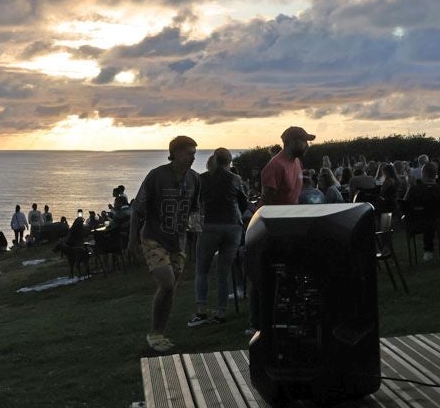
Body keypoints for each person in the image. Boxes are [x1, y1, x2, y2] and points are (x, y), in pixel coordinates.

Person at [129, 135, 201, 353]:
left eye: (194, 154)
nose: (193, 158)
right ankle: (155, 333)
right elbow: (137, 209)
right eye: (189, 153)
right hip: (153, 237)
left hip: (177, 242)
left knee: (169, 289)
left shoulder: (194, 179)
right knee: (167, 283)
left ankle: (158, 332)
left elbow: (195, 211)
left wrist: (195, 237)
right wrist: (132, 240)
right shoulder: (156, 176)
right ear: (176, 153)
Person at [252, 127, 315, 335]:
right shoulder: (275, 166)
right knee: (265, 275)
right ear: (292, 141)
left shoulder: (297, 163)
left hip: (291, 228)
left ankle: (285, 314)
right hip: (273, 231)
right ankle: (256, 322)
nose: (307, 145)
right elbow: (267, 203)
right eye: (304, 141)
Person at [189, 148, 247, 327]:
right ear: (229, 160)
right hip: (232, 227)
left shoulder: (201, 179)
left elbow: (194, 204)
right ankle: (221, 312)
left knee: (202, 270)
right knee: (223, 272)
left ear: (214, 159)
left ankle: (201, 312)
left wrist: (195, 228)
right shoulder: (235, 179)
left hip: (210, 227)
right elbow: (243, 202)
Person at [401, 161, 440, 261]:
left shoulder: (415, 190)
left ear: (423, 174)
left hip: (417, 223)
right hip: (438, 222)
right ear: (436, 175)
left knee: (428, 218)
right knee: (431, 218)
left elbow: (405, 206)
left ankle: (428, 250)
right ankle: (429, 250)